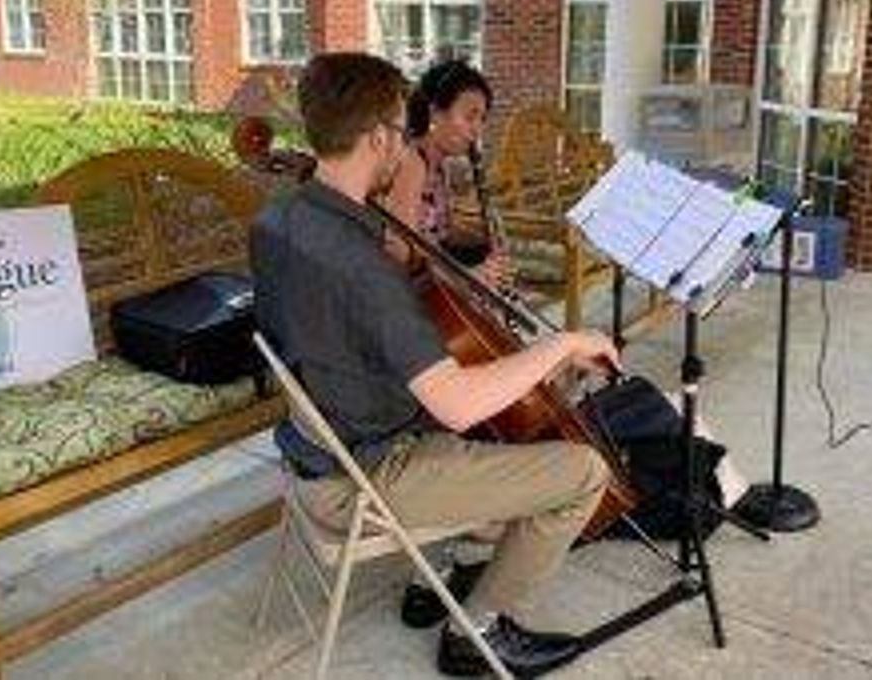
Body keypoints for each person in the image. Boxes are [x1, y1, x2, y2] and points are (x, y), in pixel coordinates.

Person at [250, 51, 620, 677]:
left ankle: (452, 568)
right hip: (369, 475)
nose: (404, 142)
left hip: (316, 452)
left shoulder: (278, 217)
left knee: (509, 429)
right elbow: (454, 403)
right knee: (584, 470)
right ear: (375, 137)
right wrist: (559, 345)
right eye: (400, 128)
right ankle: (476, 629)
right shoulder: (364, 264)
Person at [384, 59, 511, 288]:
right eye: (470, 117)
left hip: (437, 291)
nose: (477, 130)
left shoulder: (439, 166)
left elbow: (437, 235)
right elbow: (399, 252)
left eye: (482, 119)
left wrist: (488, 240)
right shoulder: (412, 164)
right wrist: (470, 276)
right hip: (412, 299)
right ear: (435, 114)